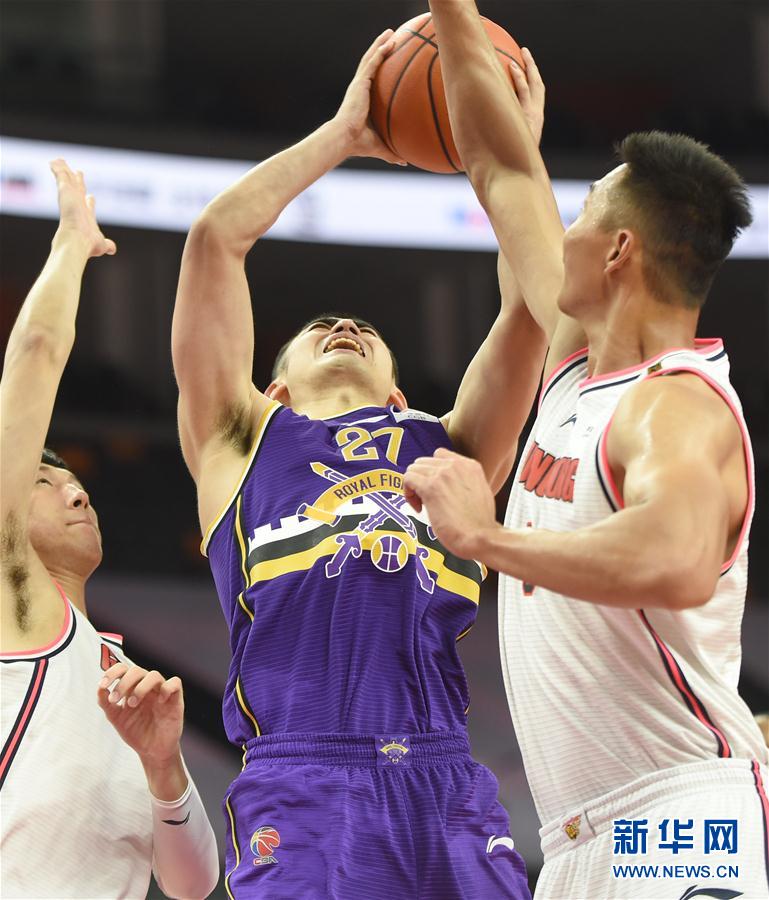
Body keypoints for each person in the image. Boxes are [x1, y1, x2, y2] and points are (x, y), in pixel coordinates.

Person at [171, 29, 548, 899]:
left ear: (396, 392)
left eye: (362, 331)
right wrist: (347, 133)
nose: (343, 328)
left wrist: (509, 159)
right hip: (302, 778)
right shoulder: (240, 438)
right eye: (319, 330)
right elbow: (215, 240)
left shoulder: (450, 443)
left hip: (442, 777)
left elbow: (532, 309)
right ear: (274, 387)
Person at [403, 3, 769, 898]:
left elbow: (675, 562)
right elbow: (498, 171)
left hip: (678, 815)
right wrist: (454, 17)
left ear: (616, 252)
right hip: (578, 836)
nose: (557, 230)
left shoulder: (675, 406)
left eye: (579, 214)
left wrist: (483, 538)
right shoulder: (575, 367)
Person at [0, 160, 219, 899]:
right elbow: (34, 359)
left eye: (78, 485)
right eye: (45, 481)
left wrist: (163, 765)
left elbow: (193, 884)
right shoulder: (15, 605)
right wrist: (70, 245)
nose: (75, 491)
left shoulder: (123, 678)